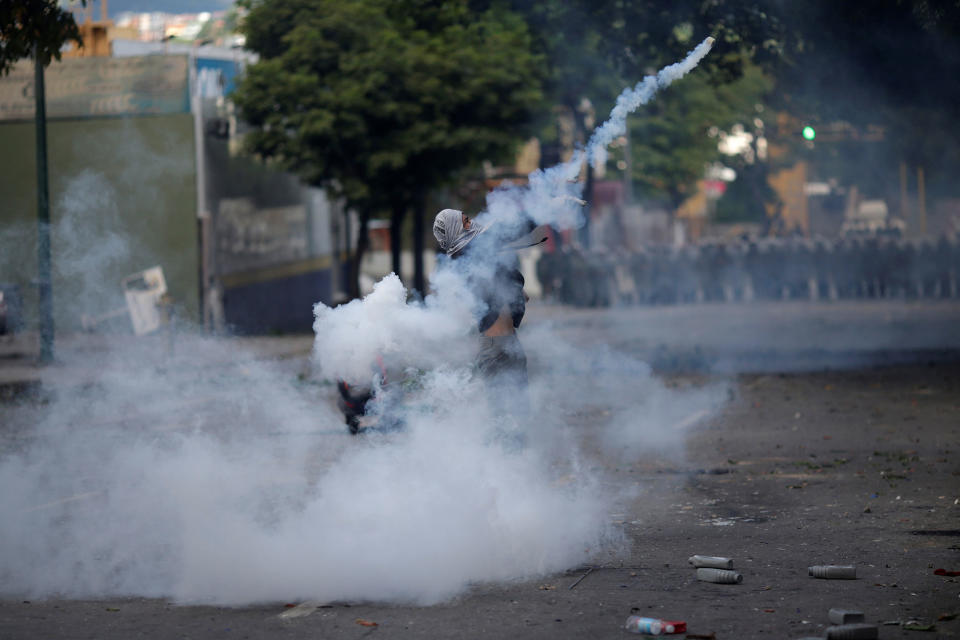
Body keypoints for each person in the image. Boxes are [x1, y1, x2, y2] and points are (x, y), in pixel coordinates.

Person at [432, 208, 529, 418]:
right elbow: (507, 232)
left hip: (510, 341)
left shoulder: (479, 258)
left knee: (520, 411)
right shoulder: (467, 259)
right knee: (504, 415)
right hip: (495, 348)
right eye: (465, 222)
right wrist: (550, 199)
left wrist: (516, 291)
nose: (471, 224)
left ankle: (515, 451)